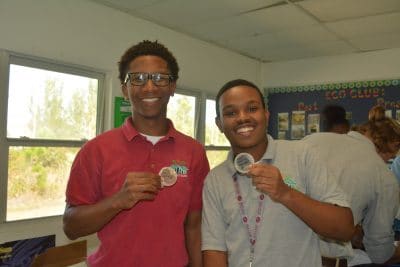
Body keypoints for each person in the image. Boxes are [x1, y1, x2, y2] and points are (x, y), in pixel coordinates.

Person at [63, 40, 210, 267]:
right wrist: (118, 201)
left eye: (160, 78)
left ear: (172, 87)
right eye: (137, 79)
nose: (149, 87)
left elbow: (194, 224)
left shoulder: (193, 152)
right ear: (125, 89)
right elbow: (71, 227)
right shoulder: (96, 150)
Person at [201, 79, 354, 267]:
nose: (242, 118)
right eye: (231, 113)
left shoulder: (302, 155)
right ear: (219, 124)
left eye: (252, 108)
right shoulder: (215, 179)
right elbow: (214, 249)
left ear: (266, 114)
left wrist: (285, 193)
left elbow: (344, 229)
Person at [303, 105, 400, 266]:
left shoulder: (311, 141)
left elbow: (286, 181)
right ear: (393, 146)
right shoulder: (383, 176)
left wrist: (295, 192)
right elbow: (380, 252)